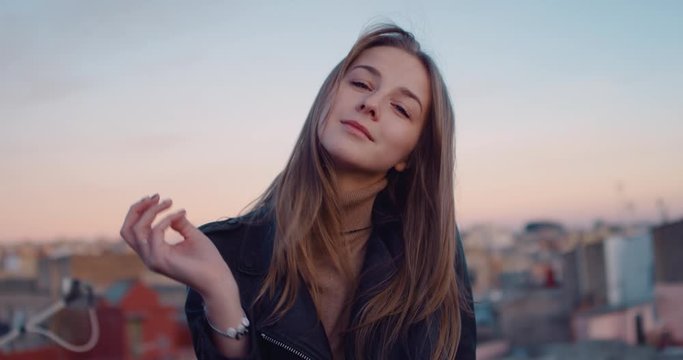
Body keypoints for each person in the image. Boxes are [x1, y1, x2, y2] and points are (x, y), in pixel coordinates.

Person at [120, 24, 476, 359]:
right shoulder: (226, 253)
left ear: (411, 156)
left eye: (401, 108)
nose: (371, 104)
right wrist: (221, 296)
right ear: (327, 96)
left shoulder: (428, 247)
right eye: (361, 84)